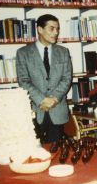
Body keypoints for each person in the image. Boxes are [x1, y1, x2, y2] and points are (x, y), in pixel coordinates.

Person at [16, 14, 72, 143]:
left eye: (57, 29)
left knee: (56, 152)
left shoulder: (63, 52)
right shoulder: (23, 53)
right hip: (35, 110)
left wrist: (54, 99)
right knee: (35, 153)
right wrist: (42, 100)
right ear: (40, 30)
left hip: (57, 110)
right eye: (51, 28)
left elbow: (67, 78)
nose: (56, 32)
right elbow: (23, 80)